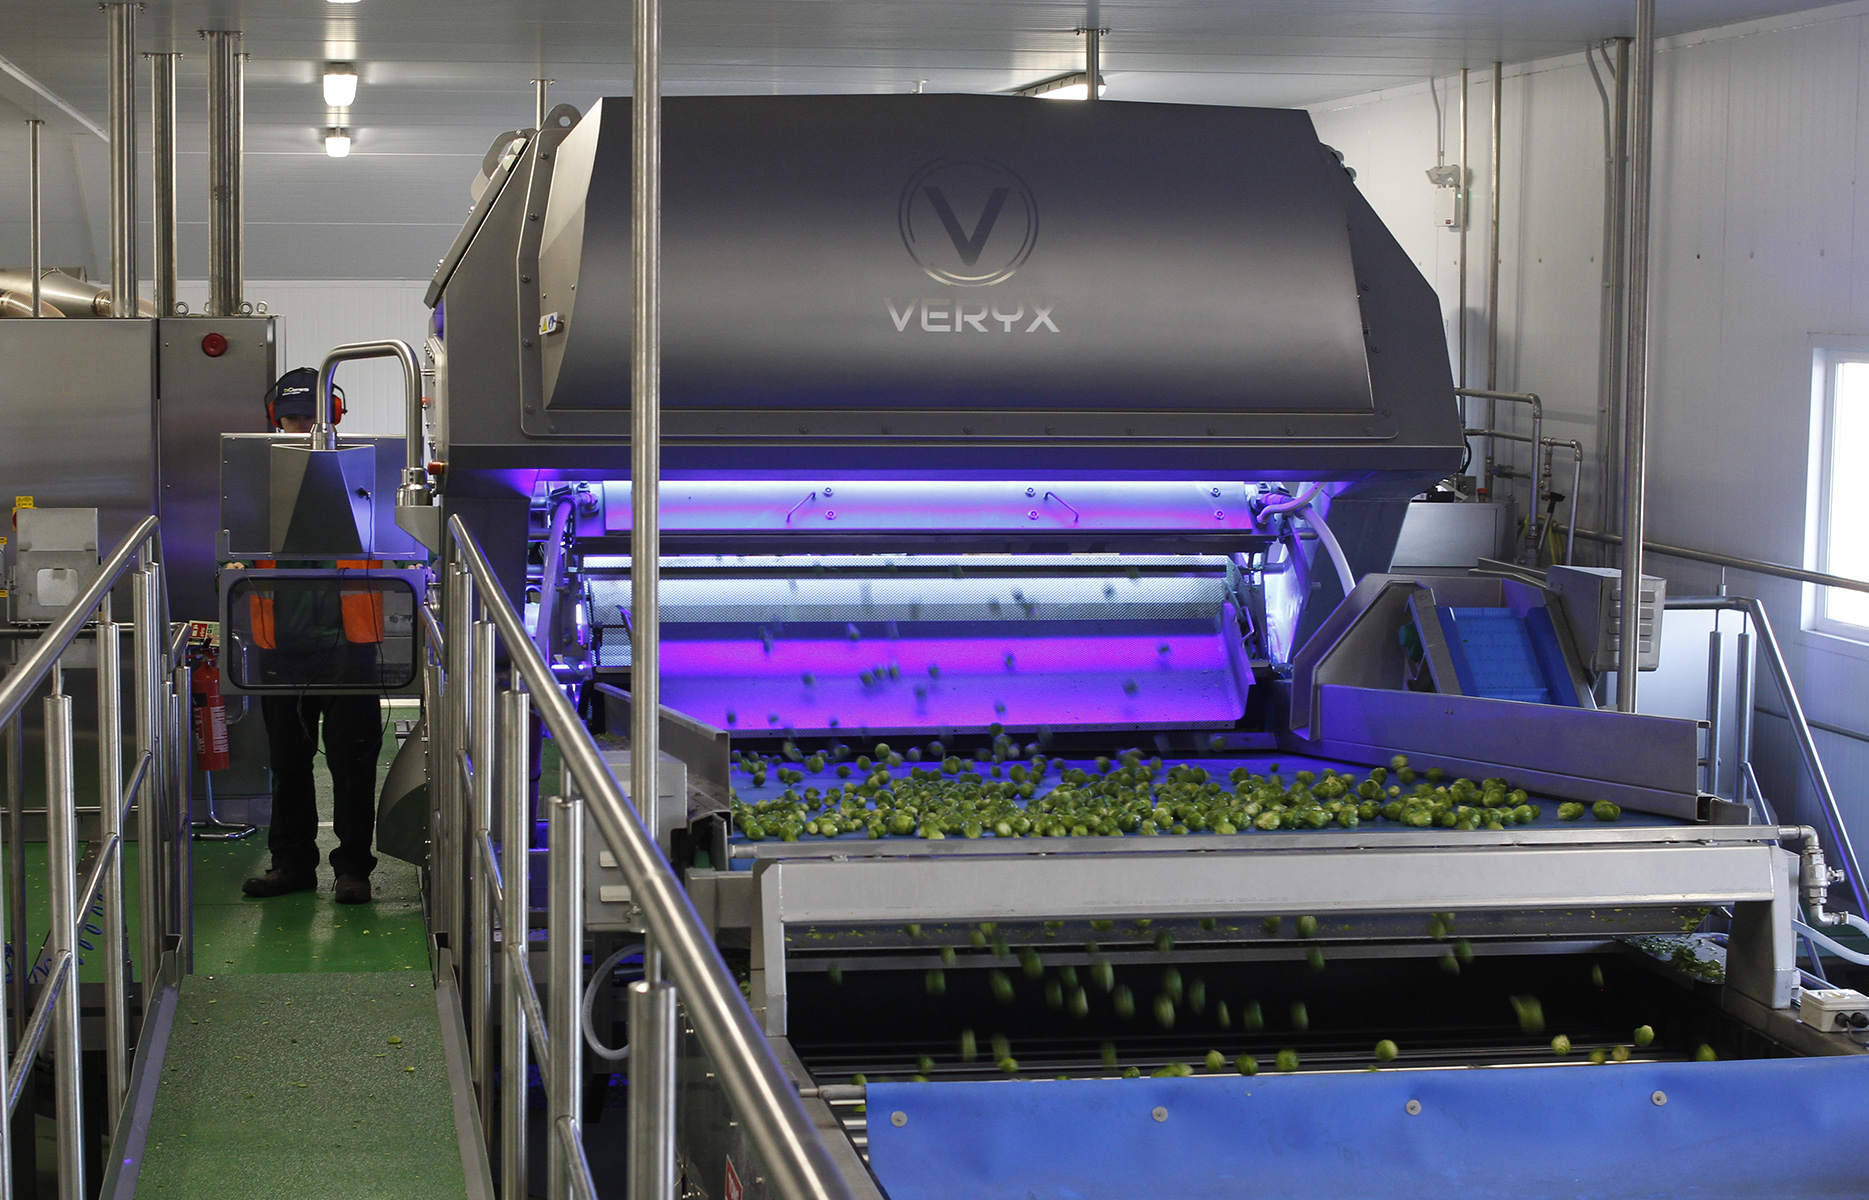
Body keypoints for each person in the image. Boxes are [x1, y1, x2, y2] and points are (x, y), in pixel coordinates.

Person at [241, 367, 384, 904]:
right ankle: (292, 864)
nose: (303, 428)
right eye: (294, 418)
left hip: (351, 645)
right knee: (289, 763)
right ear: (274, 420)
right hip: (279, 645)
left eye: (314, 417)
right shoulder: (252, 482)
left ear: (335, 417)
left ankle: (353, 869)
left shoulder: (362, 476)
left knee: (352, 764)